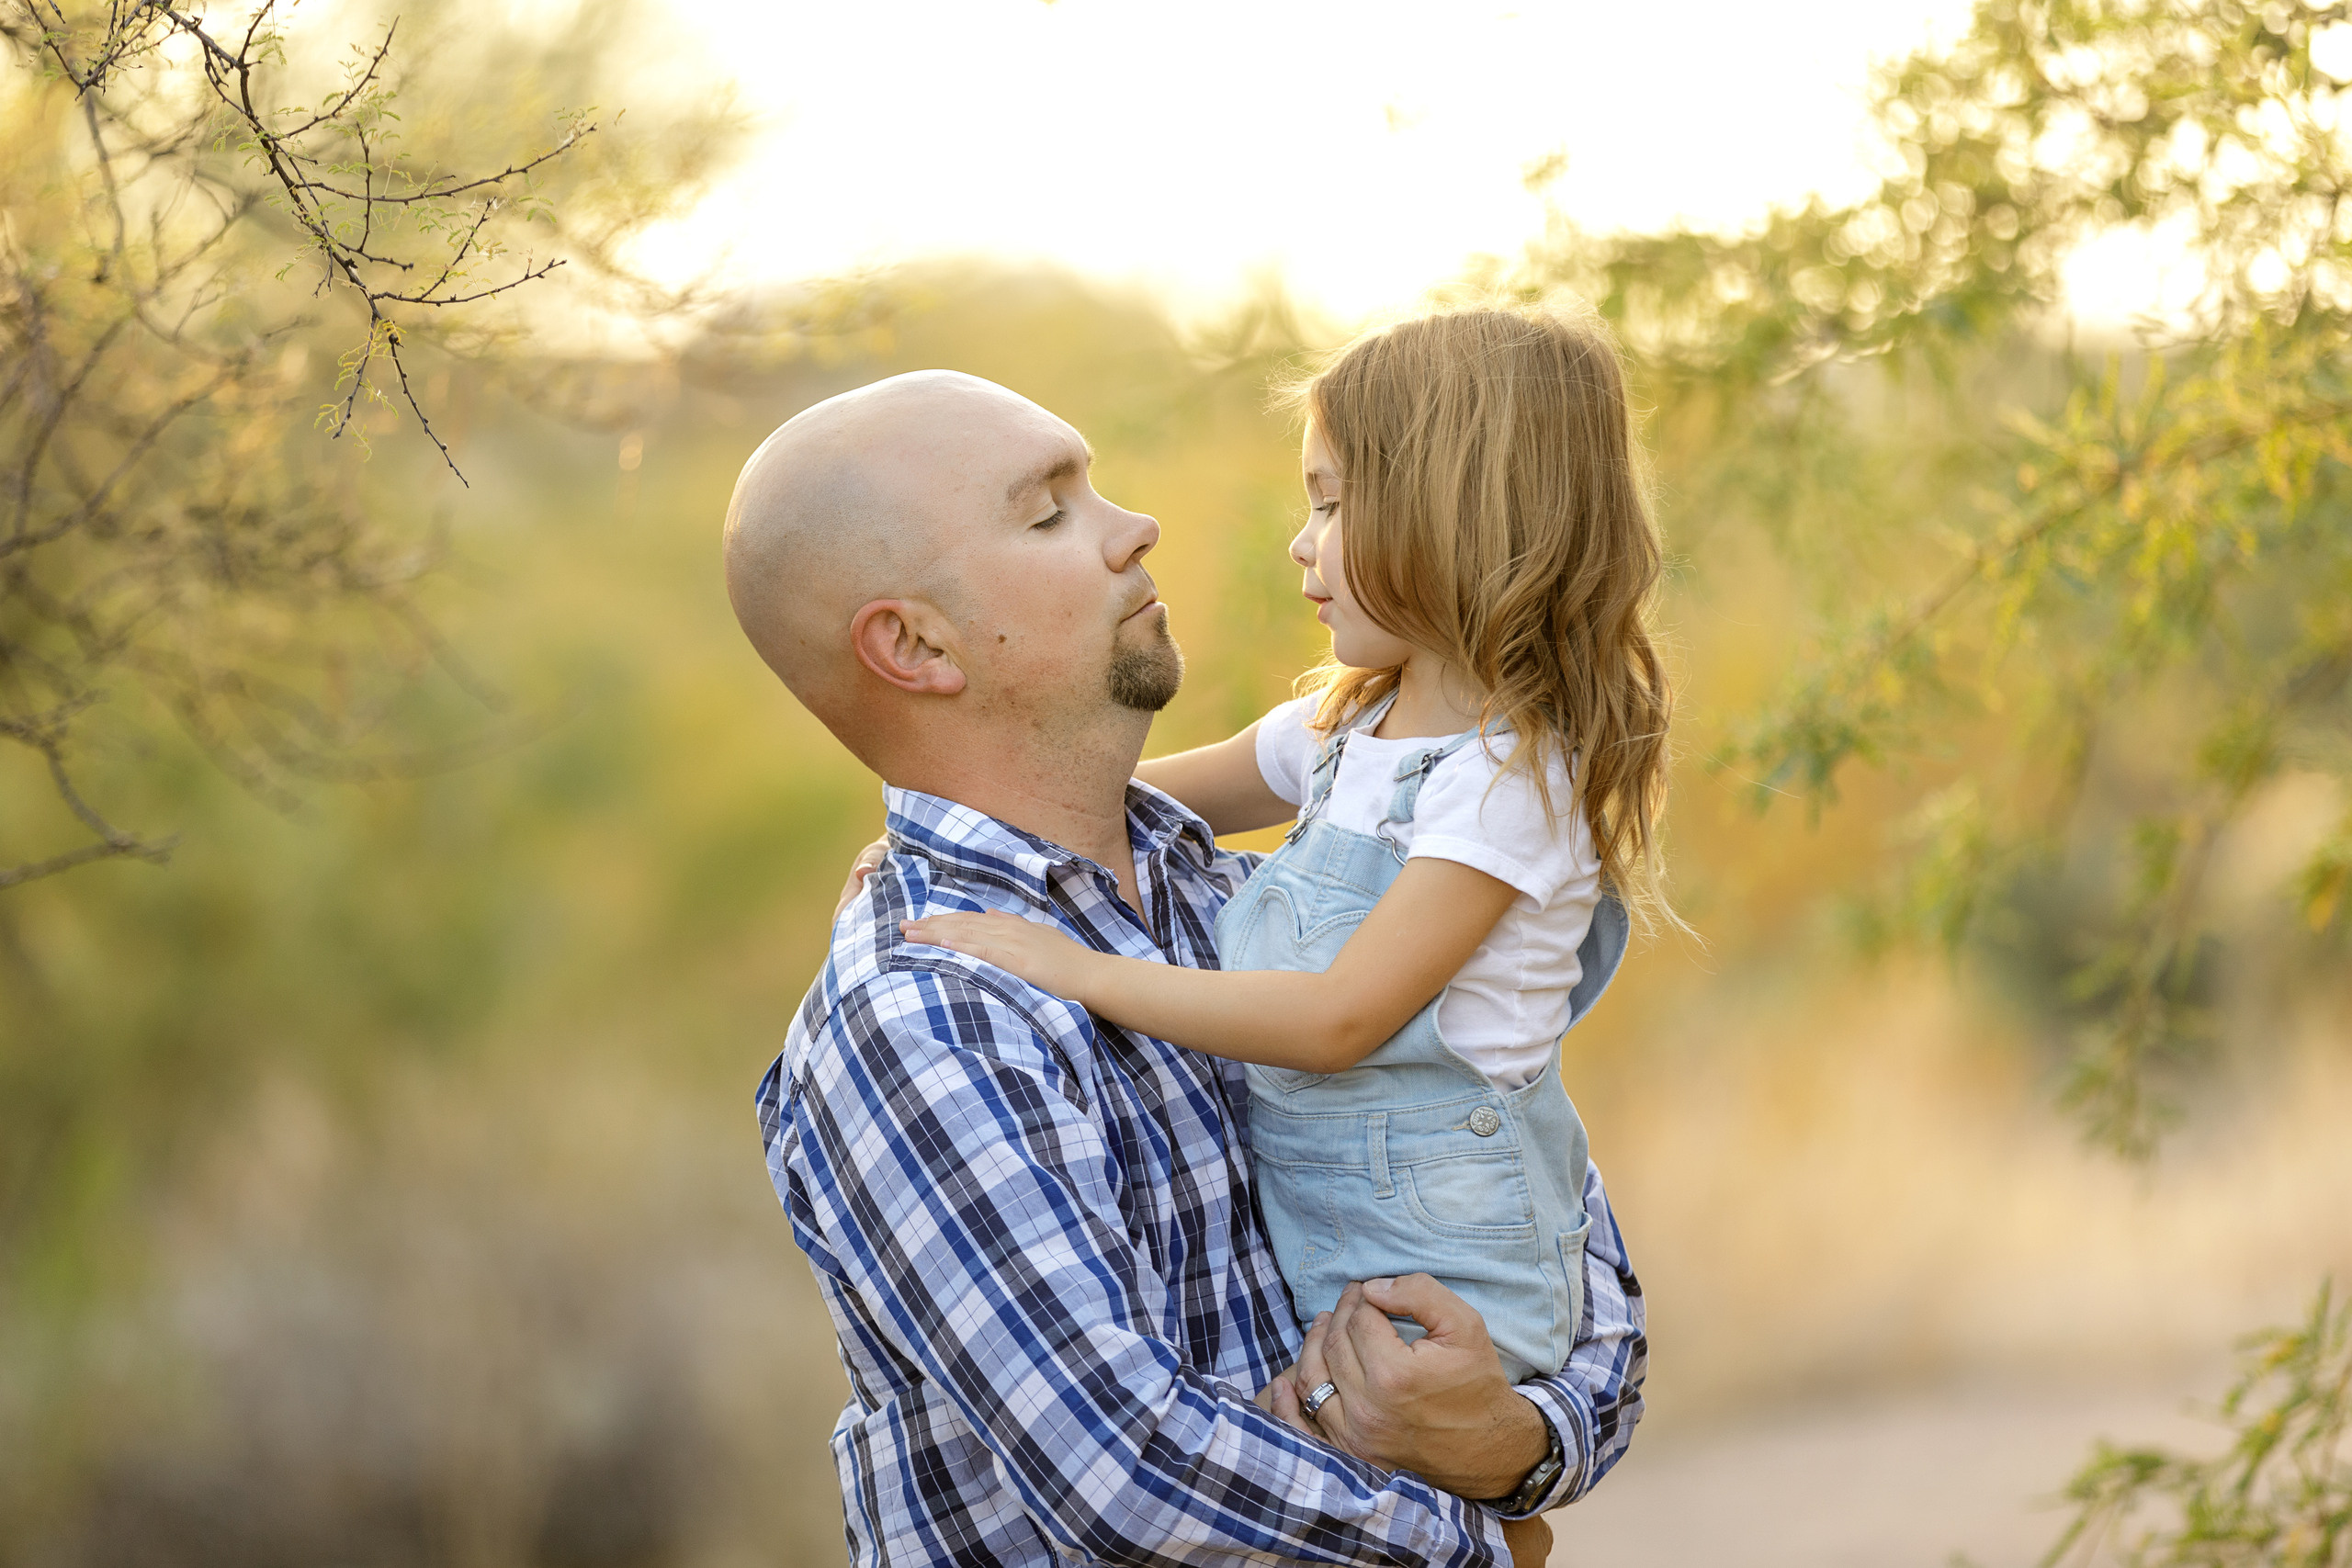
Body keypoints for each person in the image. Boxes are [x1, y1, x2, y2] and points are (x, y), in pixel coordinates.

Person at [724, 365, 1645, 1568]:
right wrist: (1484, 1543)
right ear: (914, 642)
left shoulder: (1253, 892)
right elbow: (1129, 1475)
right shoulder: (927, 1008)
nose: (1137, 526)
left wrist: (1517, 1435)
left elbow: (1547, 1214)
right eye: (1051, 510)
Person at [901, 305, 1670, 1390]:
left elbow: (1337, 1020)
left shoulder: (1507, 783)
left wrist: (1079, 974)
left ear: (1451, 518)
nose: (1302, 544)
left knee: (1339, 1462)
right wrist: (948, 835)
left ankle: (1508, 1540)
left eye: (1333, 504)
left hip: (1447, 1267)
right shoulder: (1345, 728)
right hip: (1325, 1242)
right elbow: (1106, 802)